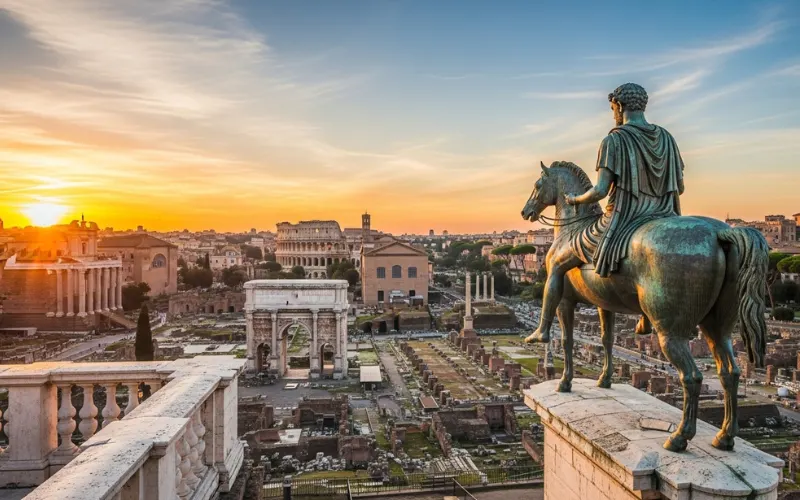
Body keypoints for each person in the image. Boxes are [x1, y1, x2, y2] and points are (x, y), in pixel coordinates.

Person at [527, 83, 685, 343]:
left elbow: (600, 190)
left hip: (621, 218)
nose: (614, 114)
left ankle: (543, 328)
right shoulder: (667, 138)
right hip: (664, 215)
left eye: (613, 108)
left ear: (620, 106)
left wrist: (575, 198)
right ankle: (646, 313)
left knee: (555, 265)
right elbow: (680, 186)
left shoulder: (614, 139)